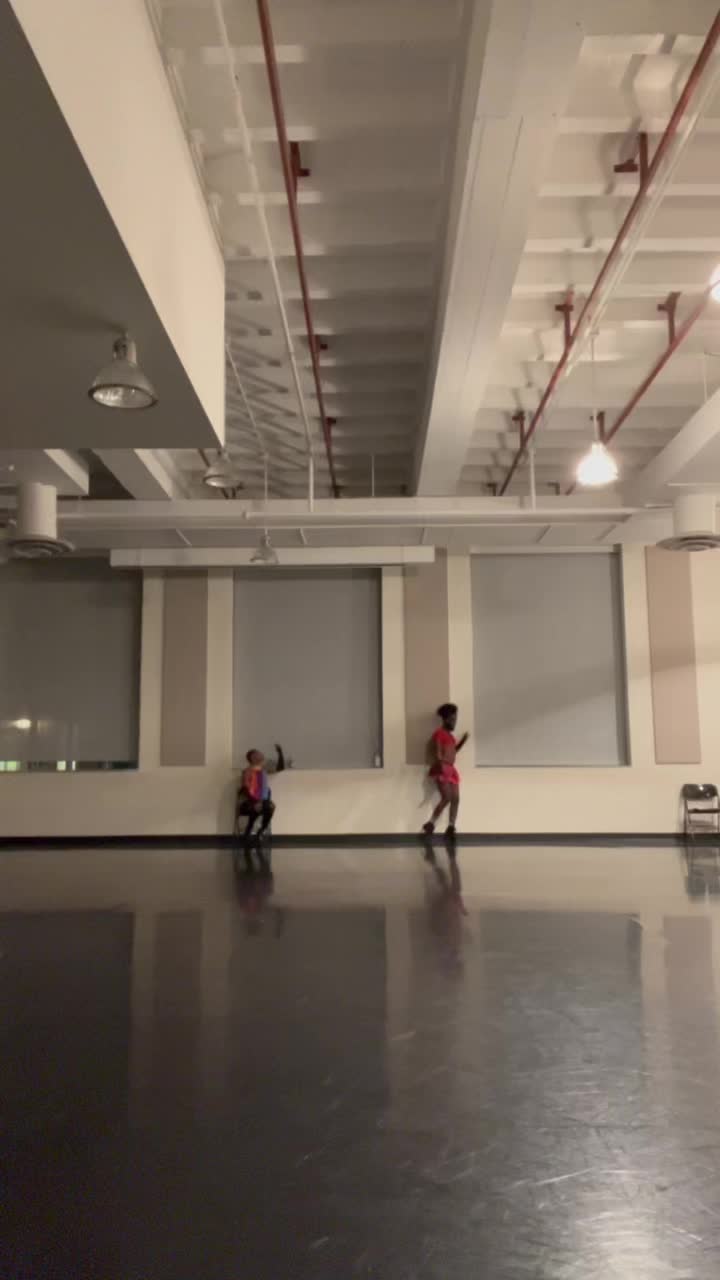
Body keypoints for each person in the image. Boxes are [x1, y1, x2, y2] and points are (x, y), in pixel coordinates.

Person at [422, 703, 467, 839]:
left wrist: (462, 742)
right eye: (452, 720)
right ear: (445, 719)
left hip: (451, 769)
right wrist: (441, 764)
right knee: (446, 797)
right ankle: (431, 823)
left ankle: (451, 826)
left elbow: (453, 751)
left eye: (455, 719)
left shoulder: (451, 736)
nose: (454, 722)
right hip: (443, 767)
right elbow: (437, 751)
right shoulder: (439, 733)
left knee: (456, 798)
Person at [236, 743, 285, 848]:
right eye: (258, 754)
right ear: (253, 758)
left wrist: (280, 753)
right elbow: (246, 789)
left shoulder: (264, 769)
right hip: (250, 802)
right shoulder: (247, 771)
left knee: (270, 807)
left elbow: (280, 768)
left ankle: (259, 832)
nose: (261, 754)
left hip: (263, 802)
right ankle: (249, 832)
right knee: (260, 807)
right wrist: (255, 801)